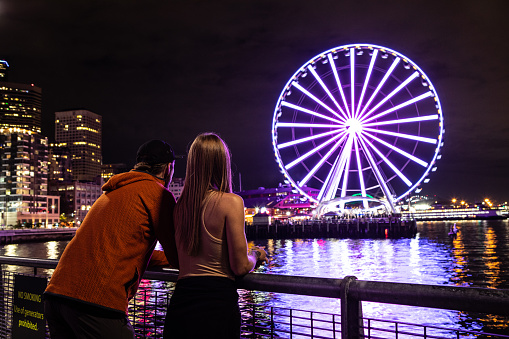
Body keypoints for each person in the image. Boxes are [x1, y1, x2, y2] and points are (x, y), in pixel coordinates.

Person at [44, 139, 180, 339]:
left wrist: (159, 259)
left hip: (56, 296)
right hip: (95, 302)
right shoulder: (159, 195)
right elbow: (177, 255)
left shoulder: (113, 191)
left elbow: (119, 249)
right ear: (169, 168)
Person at [163, 132, 267, 339]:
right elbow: (239, 266)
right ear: (222, 163)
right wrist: (255, 255)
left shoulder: (180, 207)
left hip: (181, 303)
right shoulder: (231, 202)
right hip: (216, 305)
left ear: (193, 164)